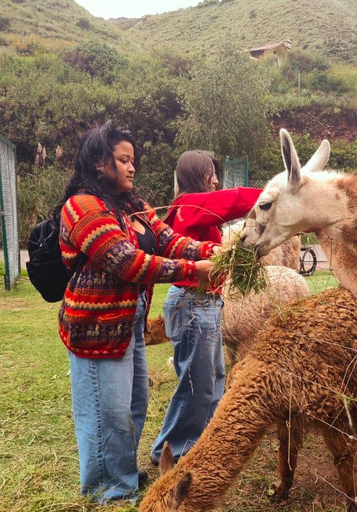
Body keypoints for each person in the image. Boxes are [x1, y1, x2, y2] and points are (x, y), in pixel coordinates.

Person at [55, 122, 217, 503]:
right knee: (104, 409)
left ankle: (123, 473)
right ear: (99, 162)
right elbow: (126, 262)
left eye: (133, 161)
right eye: (123, 160)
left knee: (133, 404)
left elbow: (169, 240)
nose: (131, 168)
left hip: (129, 321)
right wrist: (195, 272)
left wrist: (215, 253)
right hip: (95, 326)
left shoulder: (133, 206)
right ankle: (106, 488)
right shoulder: (81, 207)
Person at [149, 150, 262, 464]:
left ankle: (201, 444)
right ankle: (168, 451)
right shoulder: (189, 205)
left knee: (213, 379)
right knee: (196, 385)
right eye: (210, 173)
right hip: (192, 303)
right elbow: (233, 200)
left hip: (204, 302)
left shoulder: (190, 210)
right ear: (196, 175)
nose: (215, 179)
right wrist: (276, 194)